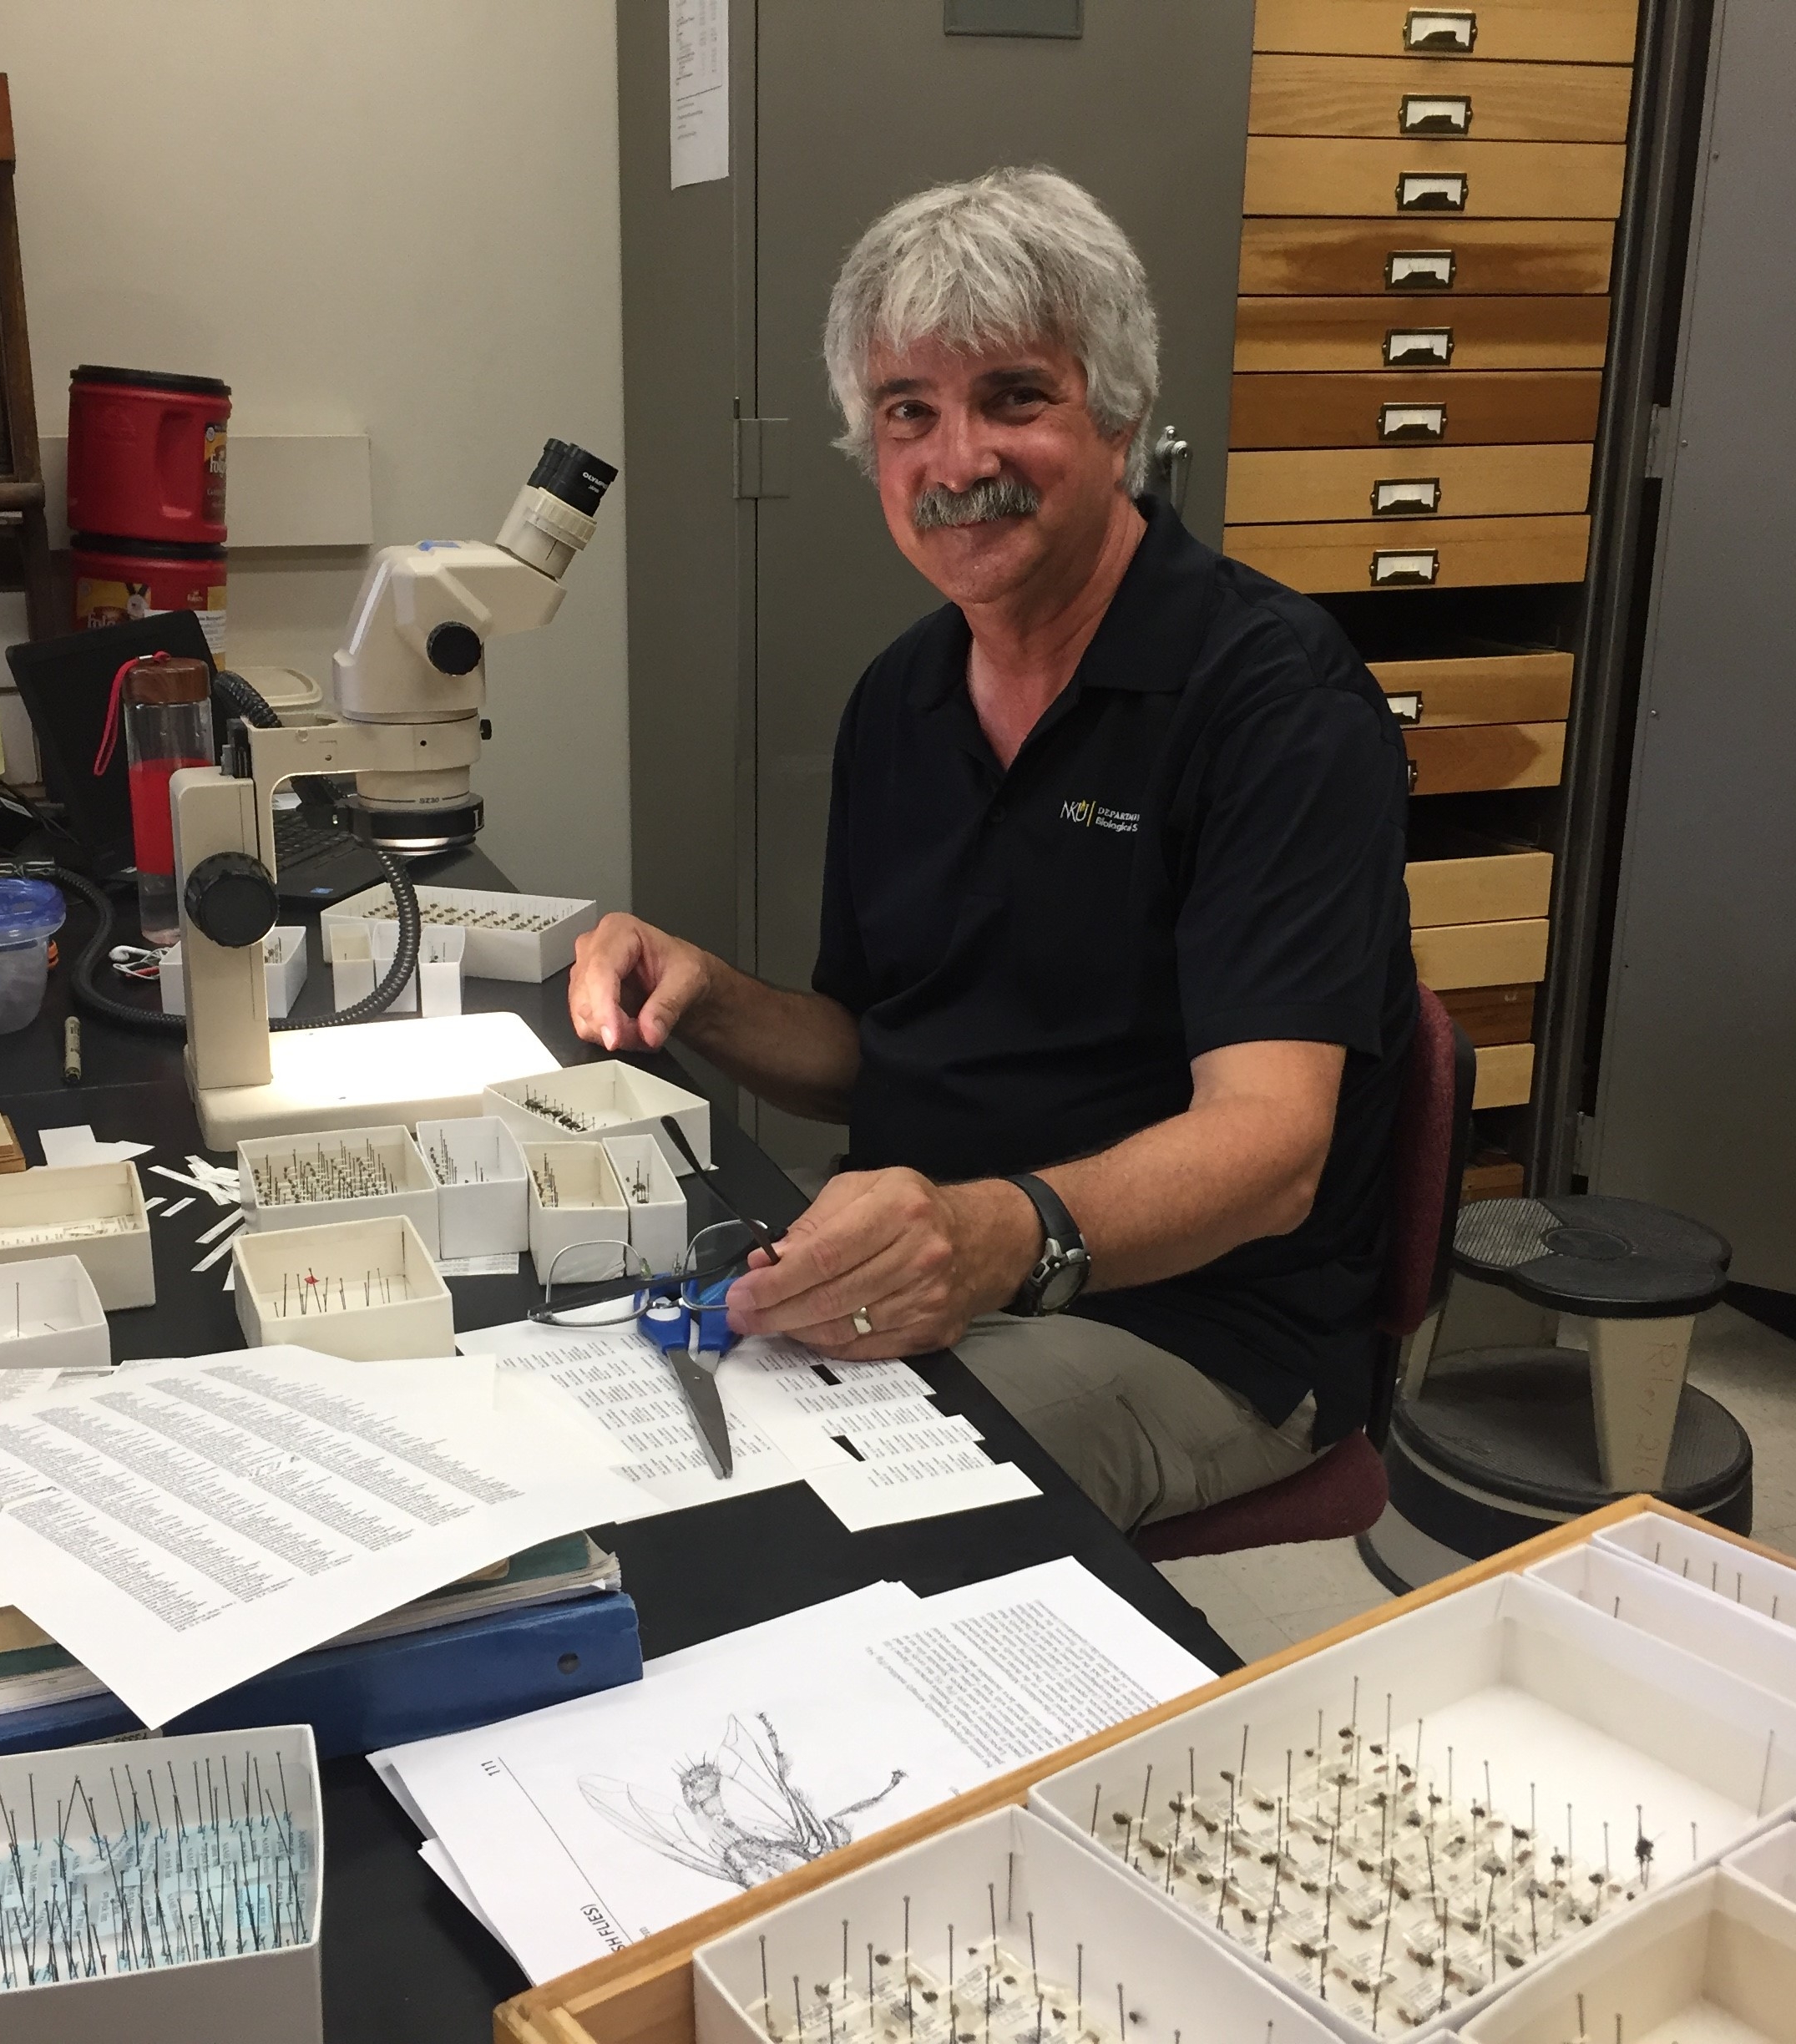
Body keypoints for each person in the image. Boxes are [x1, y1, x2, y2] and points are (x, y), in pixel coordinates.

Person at [567, 166, 1414, 1532]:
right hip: (949, 1273)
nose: (957, 462)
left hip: (1197, 1329)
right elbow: (875, 1049)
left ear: (1121, 415)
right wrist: (707, 992)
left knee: (797, 1516)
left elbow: (1272, 1154)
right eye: (911, 413)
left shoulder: (1272, 703)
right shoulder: (902, 699)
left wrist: (983, 1237)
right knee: (615, 1429)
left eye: (1016, 398)